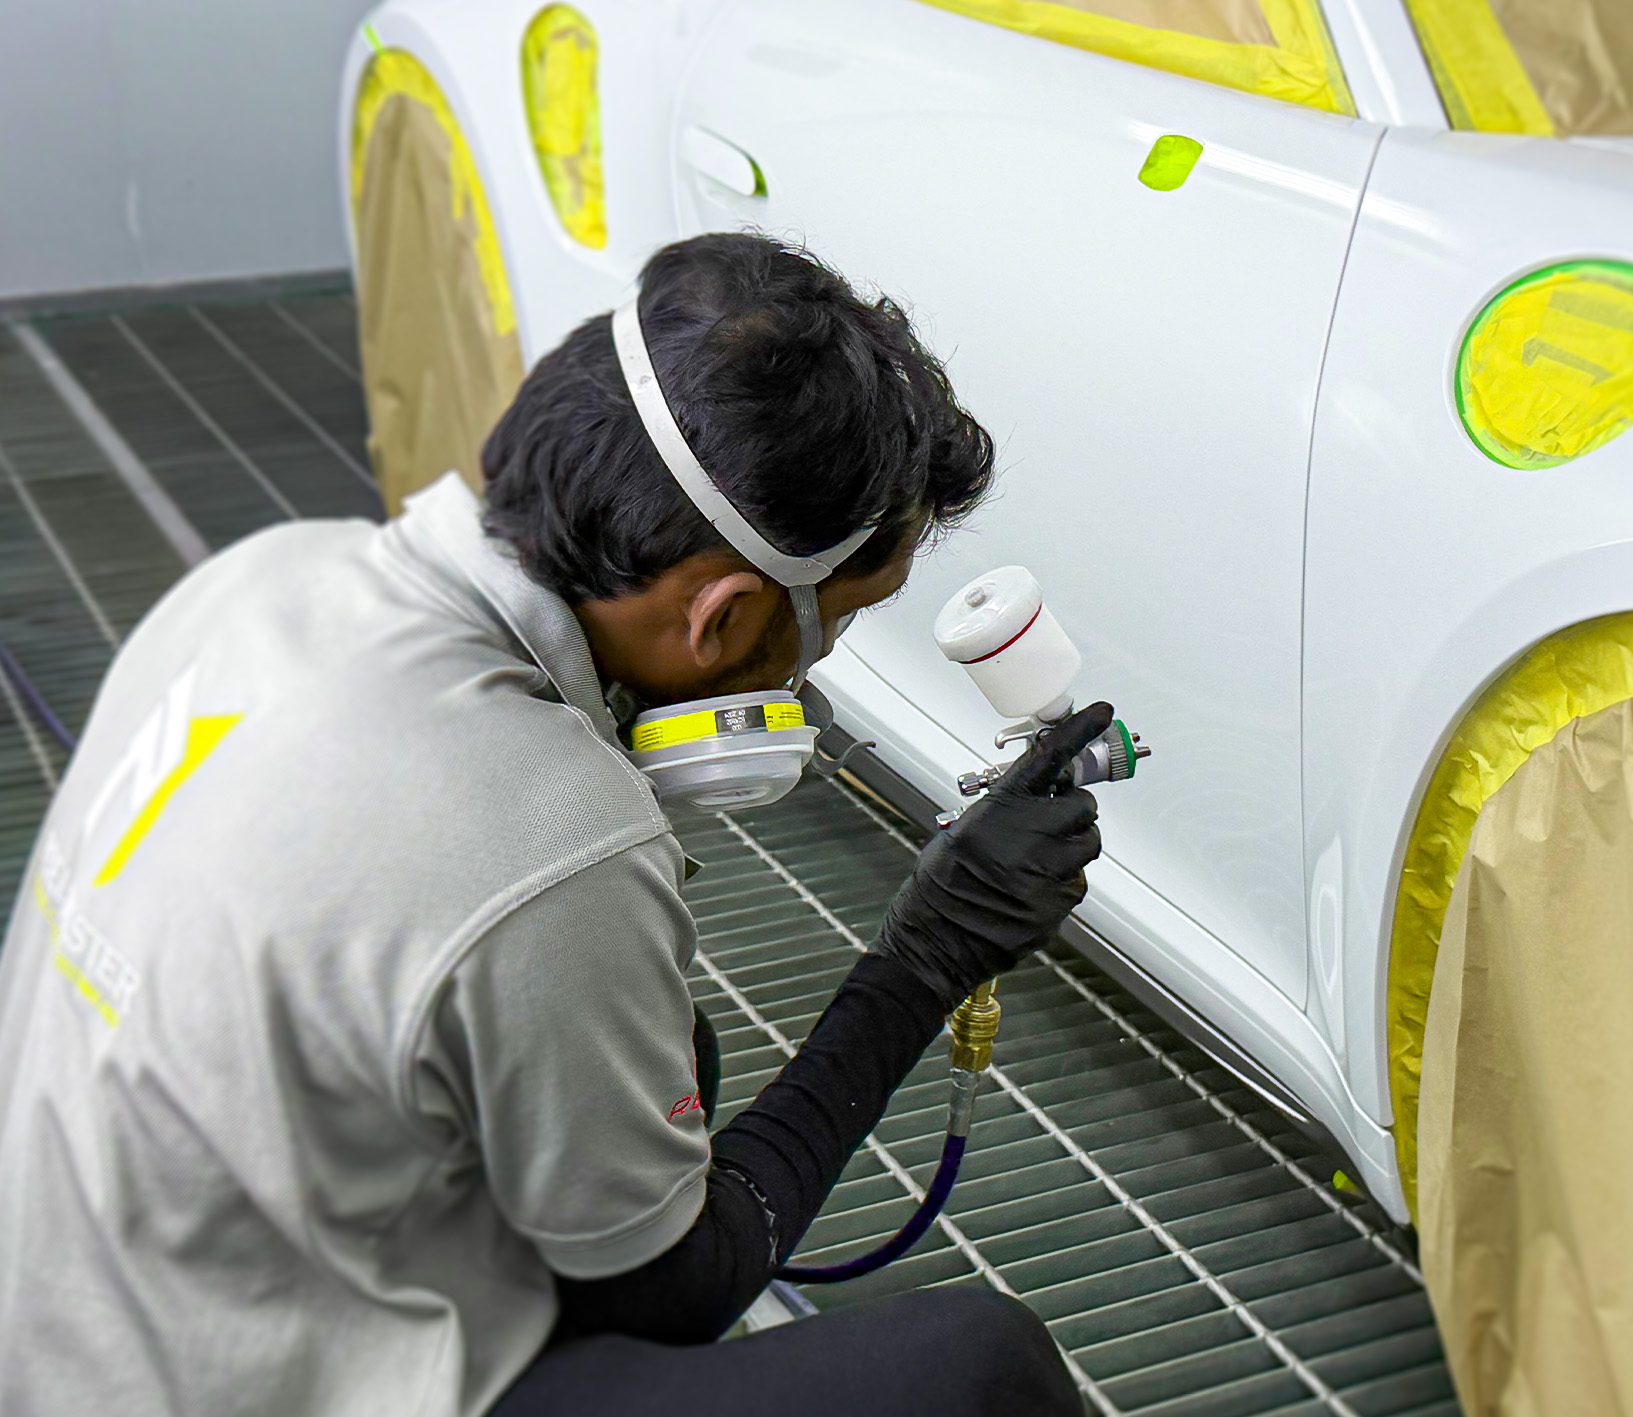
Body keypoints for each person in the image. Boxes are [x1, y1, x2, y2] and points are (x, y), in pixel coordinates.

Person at [0, 233, 1106, 1416]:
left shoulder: (269, 574)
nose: (816, 663)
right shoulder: (557, 837)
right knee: (977, 1370)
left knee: (663, 1063)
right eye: (837, 619)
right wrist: (928, 956)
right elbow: (680, 1286)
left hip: (67, 1329)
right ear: (724, 617)